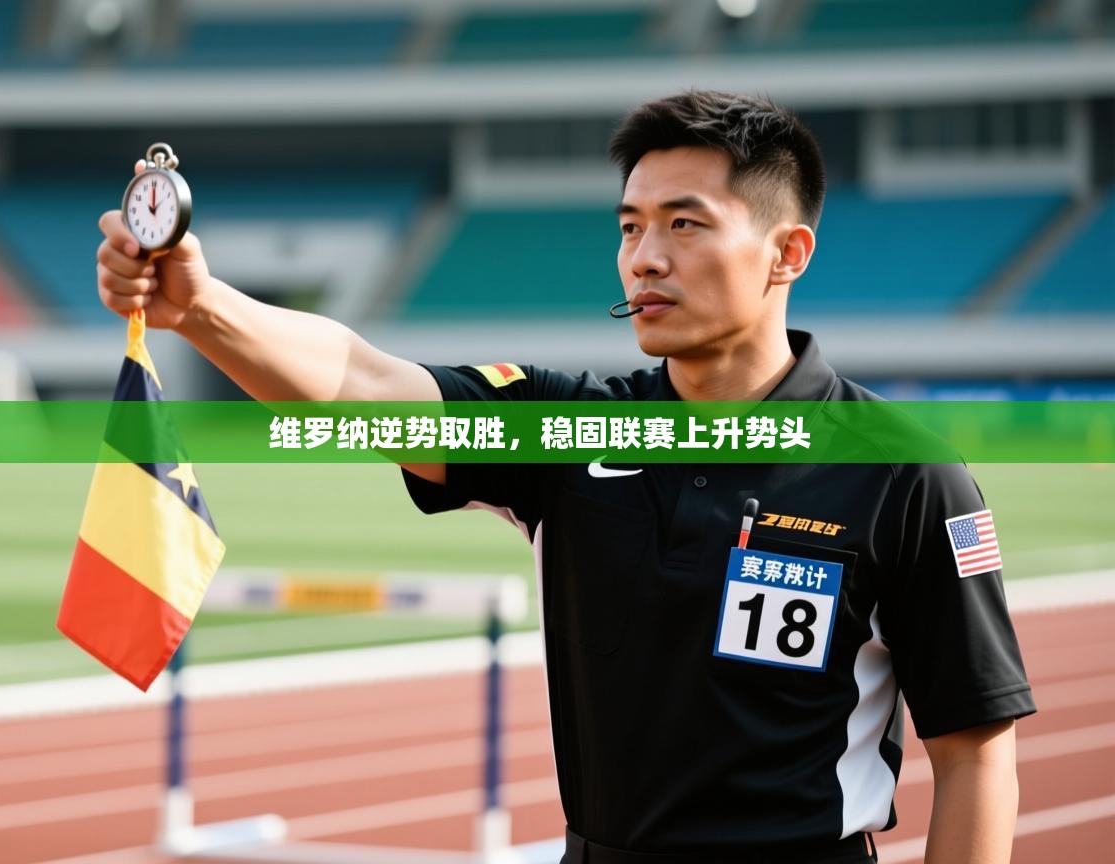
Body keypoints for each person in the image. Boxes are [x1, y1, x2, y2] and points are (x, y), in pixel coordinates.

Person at [96, 91, 1035, 864]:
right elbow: (365, 383)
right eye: (630, 227)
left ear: (787, 253)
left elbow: (977, 756)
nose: (645, 258)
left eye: (684, 224)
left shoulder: (905, 471)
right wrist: (200, 308)